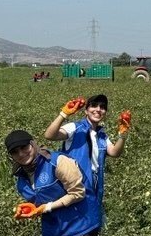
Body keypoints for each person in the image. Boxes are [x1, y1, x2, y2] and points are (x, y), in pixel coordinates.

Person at [4, 130, 96, 236]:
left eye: (24, 147)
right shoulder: (21, 177)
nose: (21, 154)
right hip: (53, 229)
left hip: (79, 223)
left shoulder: (57, 162)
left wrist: (47, 207)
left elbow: (78, 193)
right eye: (15, 152)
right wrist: (29, 207)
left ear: (33, 144)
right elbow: (38, 200)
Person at [43, 93, 129, 227]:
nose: (98, 109)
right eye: (94, 106)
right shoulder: (75, 128)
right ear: (86, 110)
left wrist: (122, 135)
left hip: (94, 183)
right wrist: (64, 114)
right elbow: (49, 135)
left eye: (102, 107)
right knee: (73, 220)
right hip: (74, 184)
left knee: (92, 220)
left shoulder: (101, 135)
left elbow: (114, 152)